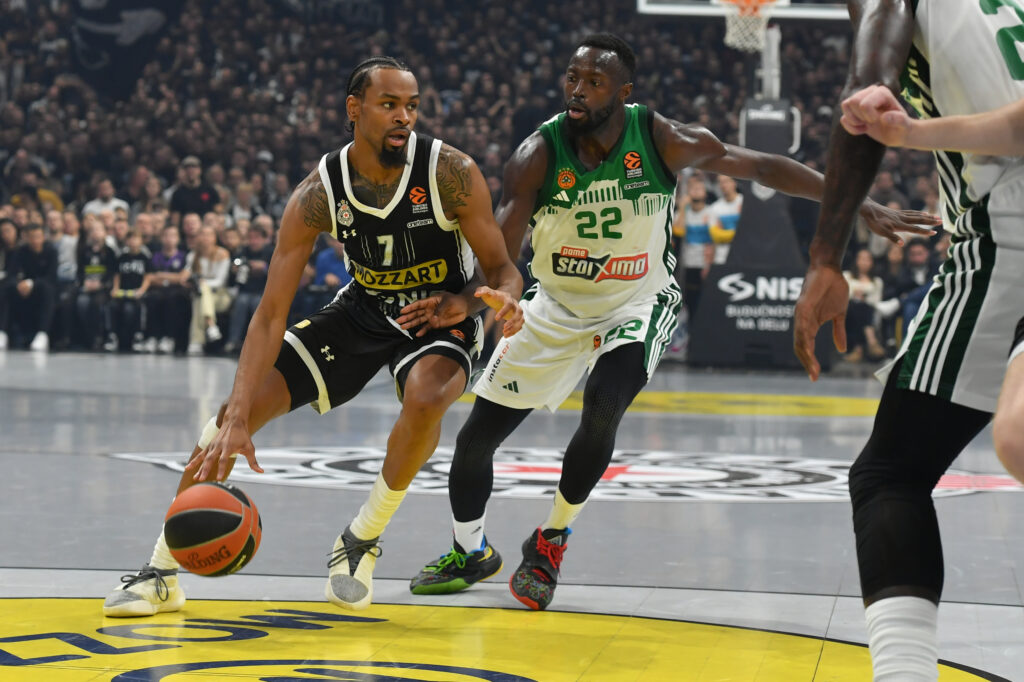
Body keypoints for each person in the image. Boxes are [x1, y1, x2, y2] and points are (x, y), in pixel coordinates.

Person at [408, 33, 936, 612]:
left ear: (624, 92)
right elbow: (503, 246)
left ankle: (552, 537)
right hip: (554, 304)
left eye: (594, 81)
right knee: (475, 439)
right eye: (572, 78)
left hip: (636, 302)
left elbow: (762, 165)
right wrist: (470, 299)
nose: (578, 90)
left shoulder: (662, 139)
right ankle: (469, 550)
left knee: (603, 408)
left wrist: (856, 203)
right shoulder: (537, 154)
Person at [103, 56, 523, 618]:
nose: (405, 118)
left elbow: (503, 270)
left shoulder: (450, 172)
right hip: (362, 309)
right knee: (236, 412)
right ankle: (161, 570)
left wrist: (481, 302)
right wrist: (234, 416)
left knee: (427, 397)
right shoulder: (318, 194)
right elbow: (269, 314)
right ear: (354, 109)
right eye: (390, 105)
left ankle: (360, 541)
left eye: (413, 106)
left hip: (439, 312)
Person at [791, 1, 1024, 678]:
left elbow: (863, 106)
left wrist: (826, 259)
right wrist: (915, 133)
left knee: (890, 471)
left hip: (1007, 227)